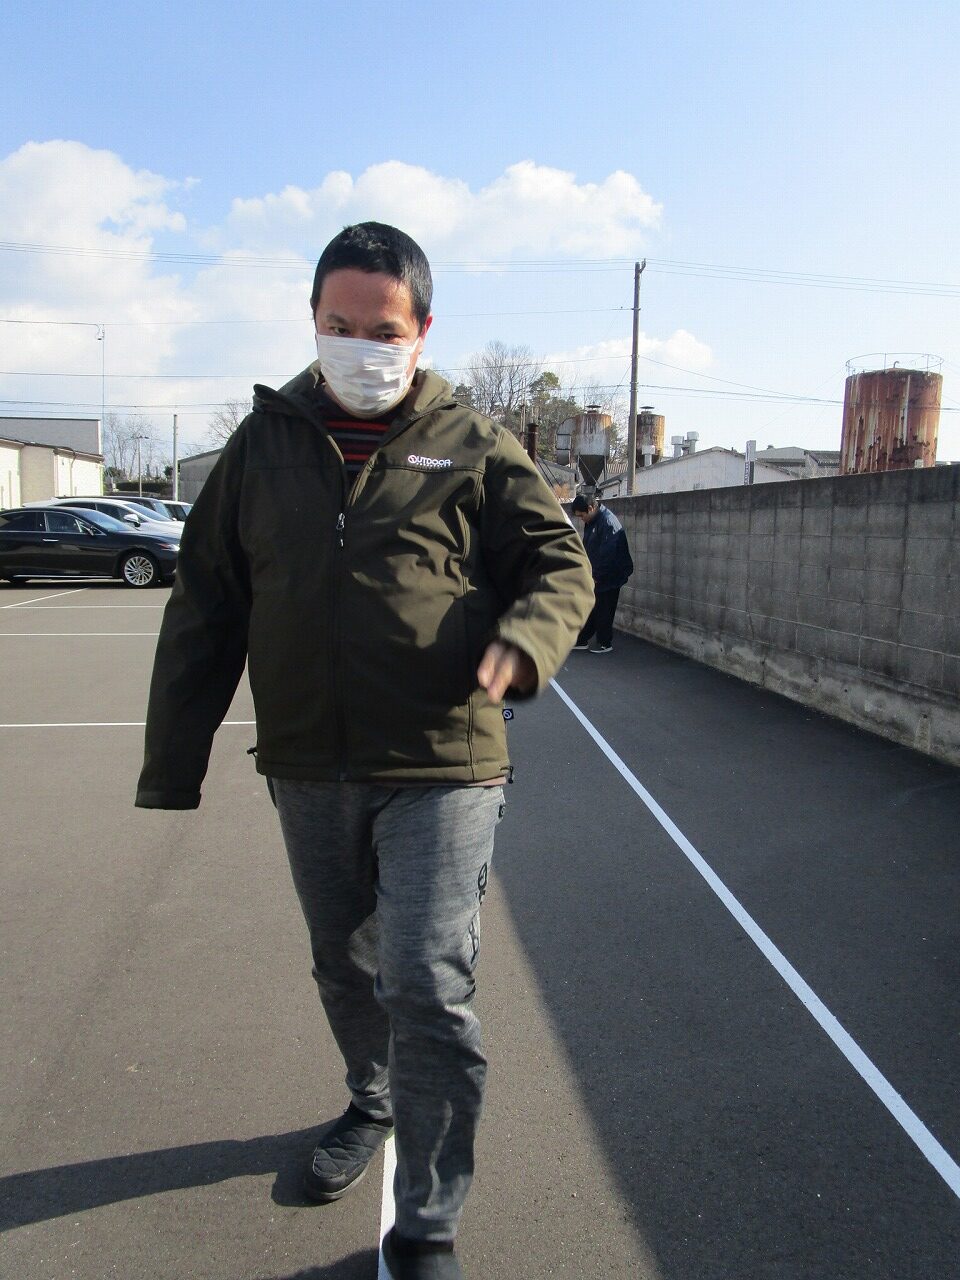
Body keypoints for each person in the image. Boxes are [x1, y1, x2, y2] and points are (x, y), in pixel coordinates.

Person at [135, 222, 593, 1280]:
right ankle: (371, 1096)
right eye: (338, 324)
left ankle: (428, 1223)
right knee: (343, 961)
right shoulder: (262, 446)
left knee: (426, 978)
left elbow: (559, 562)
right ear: (312, 320)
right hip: (308, 763)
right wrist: (173, 763)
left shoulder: (471, 441)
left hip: (444, 760)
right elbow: (206, 603)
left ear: (422, 330)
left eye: (382, 330)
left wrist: (526, 644)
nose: (360, 346)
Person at [570, 493, 634, 654]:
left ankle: (605, 643)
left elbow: (608, 555)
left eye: (582, 515)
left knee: (604, 608)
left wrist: (596, 576)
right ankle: (582, 639)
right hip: (599, 572)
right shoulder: (592, 521)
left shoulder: (607, 522)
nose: (581, 519)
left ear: (591, 508)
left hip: (612, 574)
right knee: (593, 607)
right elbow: (589, 547)